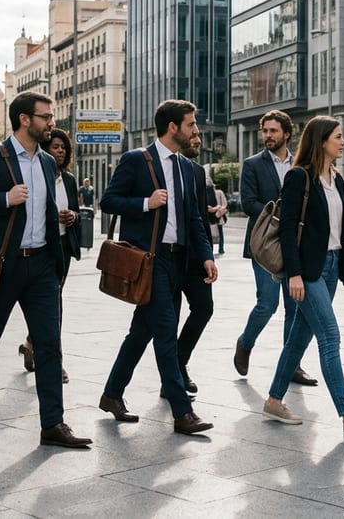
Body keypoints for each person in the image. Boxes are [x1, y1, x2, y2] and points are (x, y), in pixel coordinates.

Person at [0, 91, 91, 448]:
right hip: (2, 265)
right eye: (46, 117)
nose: (52, 123)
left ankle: (53, 424)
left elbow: (43, 212)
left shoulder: (46, 163)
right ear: (25, 119)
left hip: (41, 265)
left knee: (49, 344)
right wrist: (3, 199)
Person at [98, 99, 217, 435]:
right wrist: (145, 204)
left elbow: (194, 216)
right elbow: (109, 201)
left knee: (141, 333)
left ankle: (111, 394)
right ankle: (183, 412)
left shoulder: (186, 167)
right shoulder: (137, 160)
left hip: (182, 259)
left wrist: (206, 255)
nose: (196, 131)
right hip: (151, 261)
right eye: (191, 124)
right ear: (172, 127)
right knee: (165, 331)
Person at [262, 116, 344, 437]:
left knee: (299, 338)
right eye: (338, 136)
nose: (343, 142)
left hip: (330, 267)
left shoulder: (338, 179)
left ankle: (274, 399)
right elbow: (287, 230)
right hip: (307, 270)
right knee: (330, 336)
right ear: (321, 140)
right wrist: (294, 275)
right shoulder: (299, 177)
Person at [234, 110, 317, 387]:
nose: (268, 136)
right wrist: (281, 220)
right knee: (267, 304)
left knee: (295, 308)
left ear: (287, 134)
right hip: (265, 244)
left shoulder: (302, 164)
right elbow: (248, 202)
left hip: (296, 245)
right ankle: (245, 342)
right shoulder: (253, 164)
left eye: (273, 131)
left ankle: (292, 364)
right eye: (265, 131)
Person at [17, 128, 80, 384]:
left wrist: (72, 216)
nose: (61, 150)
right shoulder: (37, 176)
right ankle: (54, 361)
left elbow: (75, 209)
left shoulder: (69, 180)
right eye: (55, 146)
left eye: (63, 147)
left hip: (63, 246)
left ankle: (32, 343)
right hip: (43, 247)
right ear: (44, 149)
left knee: (54, 303)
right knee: (52, 305)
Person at [168, 127, 215, 396]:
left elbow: (200, 217)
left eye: (199, 137)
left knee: (204, 308)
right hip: (169, 255)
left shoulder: (197, 171)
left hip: (196, 256)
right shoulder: (160, 167)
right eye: (193, 135)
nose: (197, 140)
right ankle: (173, 376)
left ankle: (179, 361)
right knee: (167, 320)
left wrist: (207, 255)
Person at [210, 185, 227, 254]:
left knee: (220, 232)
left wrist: (216, 208)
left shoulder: (219, 193)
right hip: (209, 216)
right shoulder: (206, 194)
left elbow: (224, 204)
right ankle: (210, 249)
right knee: (210, 233)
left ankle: (221, 248)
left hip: (218, 215)